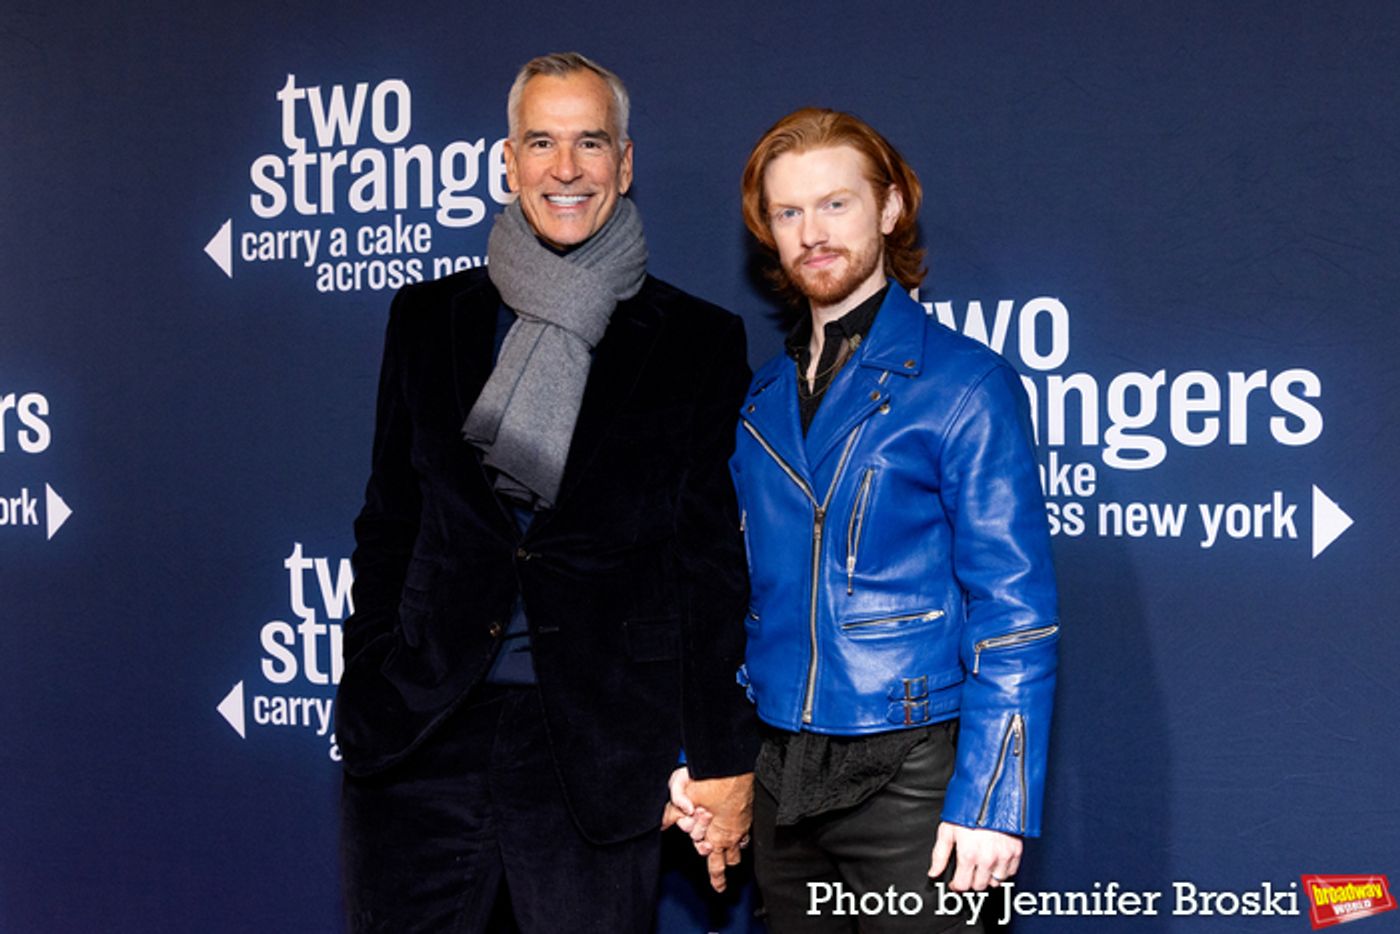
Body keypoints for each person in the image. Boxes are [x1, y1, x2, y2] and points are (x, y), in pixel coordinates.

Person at [335, 52, 757, 933]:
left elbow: (708, 561)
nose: (566, 169)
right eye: (542, 142)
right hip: (422, 729)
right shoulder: (429, 319)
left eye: (590, 143)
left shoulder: (694, 341)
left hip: (595, 747)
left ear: (625, 163)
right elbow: (391, 519)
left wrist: (722, 752)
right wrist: (370, 674)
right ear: (509, 160)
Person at [721, 107, 1059, 932]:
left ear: (890, 209)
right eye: (789, 212)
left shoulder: (964, 384)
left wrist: (993, 798)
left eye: (835, 204)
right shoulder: (762, 399)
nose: (812, 233)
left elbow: (1013, 609)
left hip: (916, 775)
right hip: (783, 770)